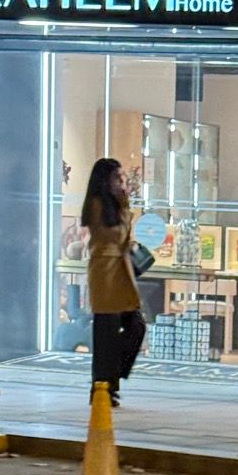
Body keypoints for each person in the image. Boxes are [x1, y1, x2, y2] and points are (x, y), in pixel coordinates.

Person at [83, 158, 145, 406]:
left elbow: (124, 238)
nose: (122, 183)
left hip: (121, 272)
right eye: (117, 178)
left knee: (136, 326)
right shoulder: (97, 205)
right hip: (105, 274)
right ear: (105, 181)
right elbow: (113, 235)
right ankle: (102, 388)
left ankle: (110, 378)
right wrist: (124, 205)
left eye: (122, 178)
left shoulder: (117, 204)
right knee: (106, 334)